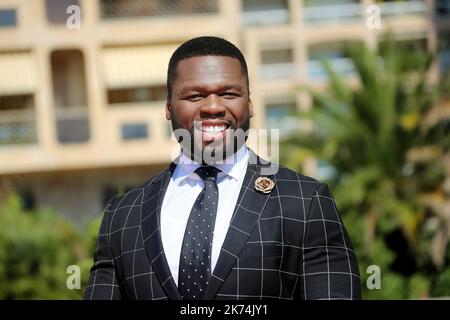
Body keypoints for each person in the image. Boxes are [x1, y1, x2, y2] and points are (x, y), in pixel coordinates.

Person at [84, 36, 361, 300]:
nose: (213, 107)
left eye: (228, 93)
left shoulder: (304, 202)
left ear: (249, 104)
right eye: (194, 96)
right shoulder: (122, 216)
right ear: (168, 107)